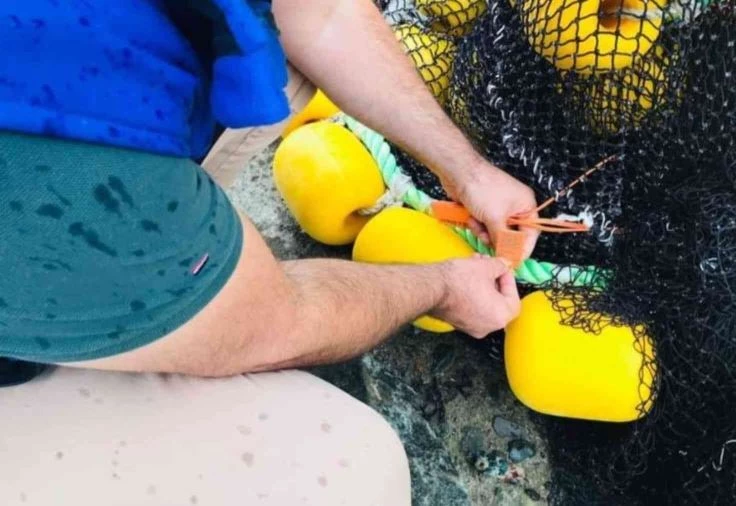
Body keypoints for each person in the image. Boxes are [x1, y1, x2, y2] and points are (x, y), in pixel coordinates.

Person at [0, 1, 539, 504]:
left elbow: (322, 15)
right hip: (55, 206)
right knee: (346, 467)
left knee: (281, 46)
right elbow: (274, 322)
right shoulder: (83, 167)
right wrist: (441, 286)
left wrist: (466, 170)